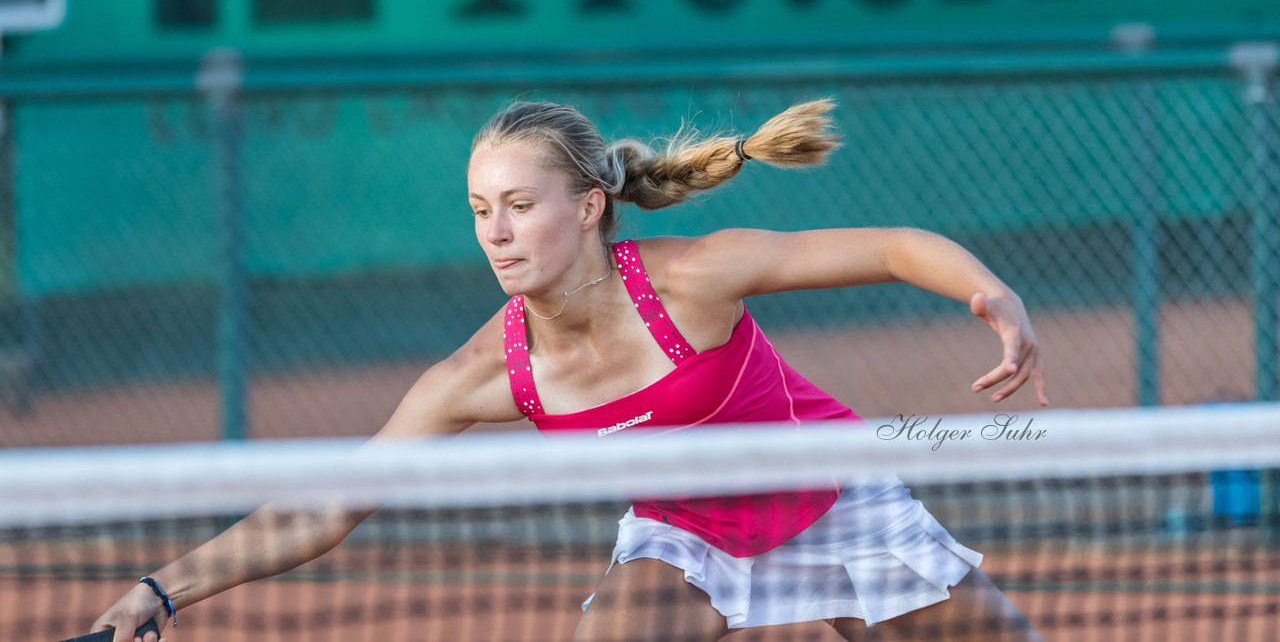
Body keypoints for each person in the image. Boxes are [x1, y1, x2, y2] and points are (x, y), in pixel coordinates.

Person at [92, 97, 1047, 642]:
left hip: (836, 503)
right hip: (687, 540)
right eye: (478, 209)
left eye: (518, 205)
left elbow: (887, 244)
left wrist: (990, 292)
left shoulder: (692, 282)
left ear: (590, 207)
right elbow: (326, 508)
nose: (495, 234)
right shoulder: (481, 373)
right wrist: (159, 590)